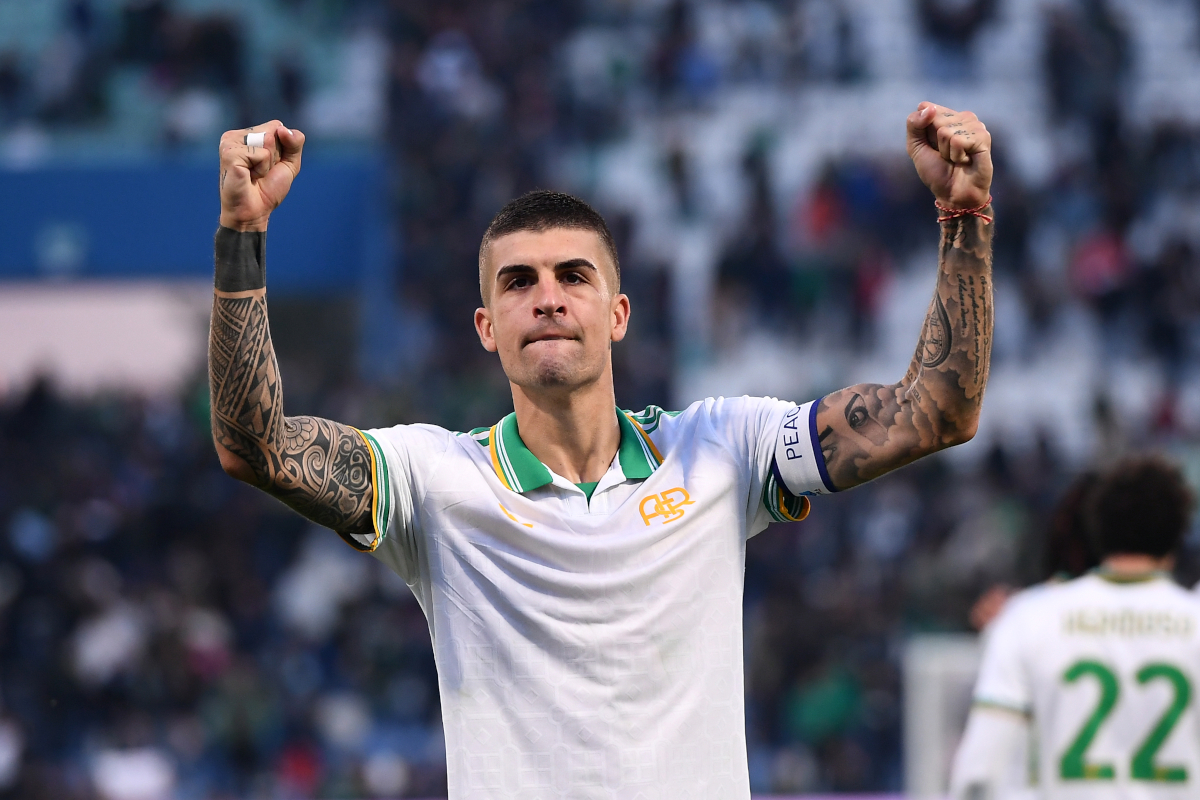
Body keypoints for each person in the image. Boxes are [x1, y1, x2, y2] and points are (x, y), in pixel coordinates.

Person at [208, 102, 994, 799]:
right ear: (487, 328)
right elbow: (256, 445)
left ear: (618, 314)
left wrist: (965, 215)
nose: (547, 298)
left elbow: (934, 413)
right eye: (517, 282)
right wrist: (242, 234)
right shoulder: (435, 480)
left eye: (573, 276)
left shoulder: (721, 448)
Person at [950, 455, 1200, 800]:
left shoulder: (1029, 619)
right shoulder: (1193, 621)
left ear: (1098, 528)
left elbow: (978, 773)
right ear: (1177, 534)